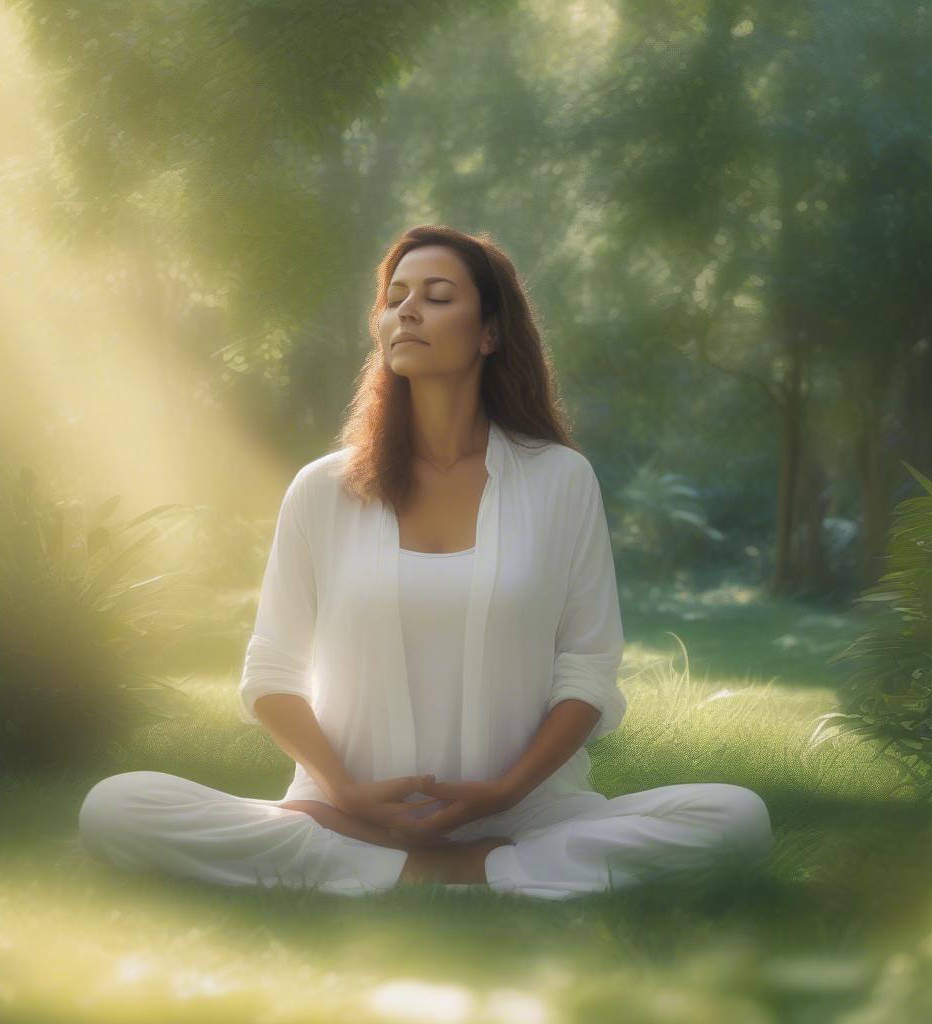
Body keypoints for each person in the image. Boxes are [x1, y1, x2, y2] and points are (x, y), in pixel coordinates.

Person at [78, 225, 774, 899]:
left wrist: (502, 792)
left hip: (524, 815)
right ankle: (446, 870)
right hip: (346, 814)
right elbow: (270, 673)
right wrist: (347, 792)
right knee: (116, 805)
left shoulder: (561, 479)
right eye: (395, 296)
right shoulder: (322, 489)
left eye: (438, 296)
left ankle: (453, 864)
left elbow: (588, 672)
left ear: (491, 333)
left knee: (737, 817)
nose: (407, 309)